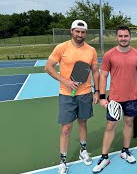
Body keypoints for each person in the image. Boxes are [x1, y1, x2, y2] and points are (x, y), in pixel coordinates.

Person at [44, 20, 100, 174]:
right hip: (66, 95)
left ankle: (83, 150)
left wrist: (97, 91)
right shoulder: (61, 47)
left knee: (83, 123)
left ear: (86, 33)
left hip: (85, 94)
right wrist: (65, 81)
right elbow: (48, 67)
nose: (80, 35)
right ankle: (63, 160)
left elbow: (95, 71)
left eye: (83, 32)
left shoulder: (91, 50)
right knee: (66, 128)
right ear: (71, 31)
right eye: (77, 31)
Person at [93, 25, 137, 173]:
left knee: (129, 123)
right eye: (120, 36)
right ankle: (104, 157)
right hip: (115, 99)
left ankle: (125, 151)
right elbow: (103, 76)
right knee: (110, 126)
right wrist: (103, 97)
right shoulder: (109, 55)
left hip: (132, 97)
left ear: (130, 37)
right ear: (117, 37)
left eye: (126, 36)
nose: (123, 38)